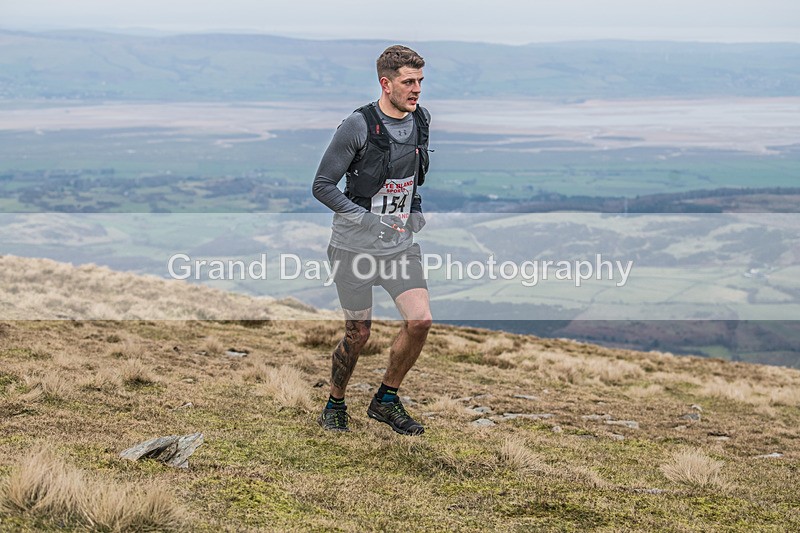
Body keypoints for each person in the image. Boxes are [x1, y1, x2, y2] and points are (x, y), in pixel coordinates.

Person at [311, 45, 432, 435]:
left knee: (420, 321)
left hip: (398, 246)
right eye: (408, 82)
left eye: (420, 82)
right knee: (359, 333)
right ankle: (335, 403)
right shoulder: (357, 126)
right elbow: (322, 186)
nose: (416, 90)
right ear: (386, 83)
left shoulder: (420, 120)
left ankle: (385, 400)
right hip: (353, 247)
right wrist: (367, 221)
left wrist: (414, 209)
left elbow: (411, 179)